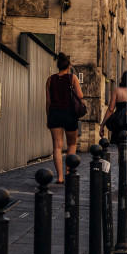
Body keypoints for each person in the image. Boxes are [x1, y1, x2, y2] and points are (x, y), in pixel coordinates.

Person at [46, 53, 84, 183]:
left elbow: (48, 102)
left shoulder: (50, 80)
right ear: (69, 66)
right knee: (72, 144)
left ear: (58, 65)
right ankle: (68, 172)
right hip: (69, 114)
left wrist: (48, 117)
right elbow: (80, 96)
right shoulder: (72, 78)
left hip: (55, 114)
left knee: (57, 146)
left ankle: (60, 177)